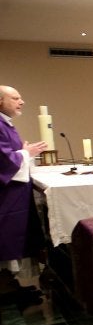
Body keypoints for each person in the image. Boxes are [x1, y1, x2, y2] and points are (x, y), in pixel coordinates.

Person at [0, 85, 45, 291]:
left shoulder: (5, 124)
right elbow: (5, 160)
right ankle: (7, 286)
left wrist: (25, 152)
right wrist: (26, 153)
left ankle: (13, 284)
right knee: (8, 239)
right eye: (16, 98)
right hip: (7, 196)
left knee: (17, 237)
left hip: (15, 194)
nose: (22, 101)